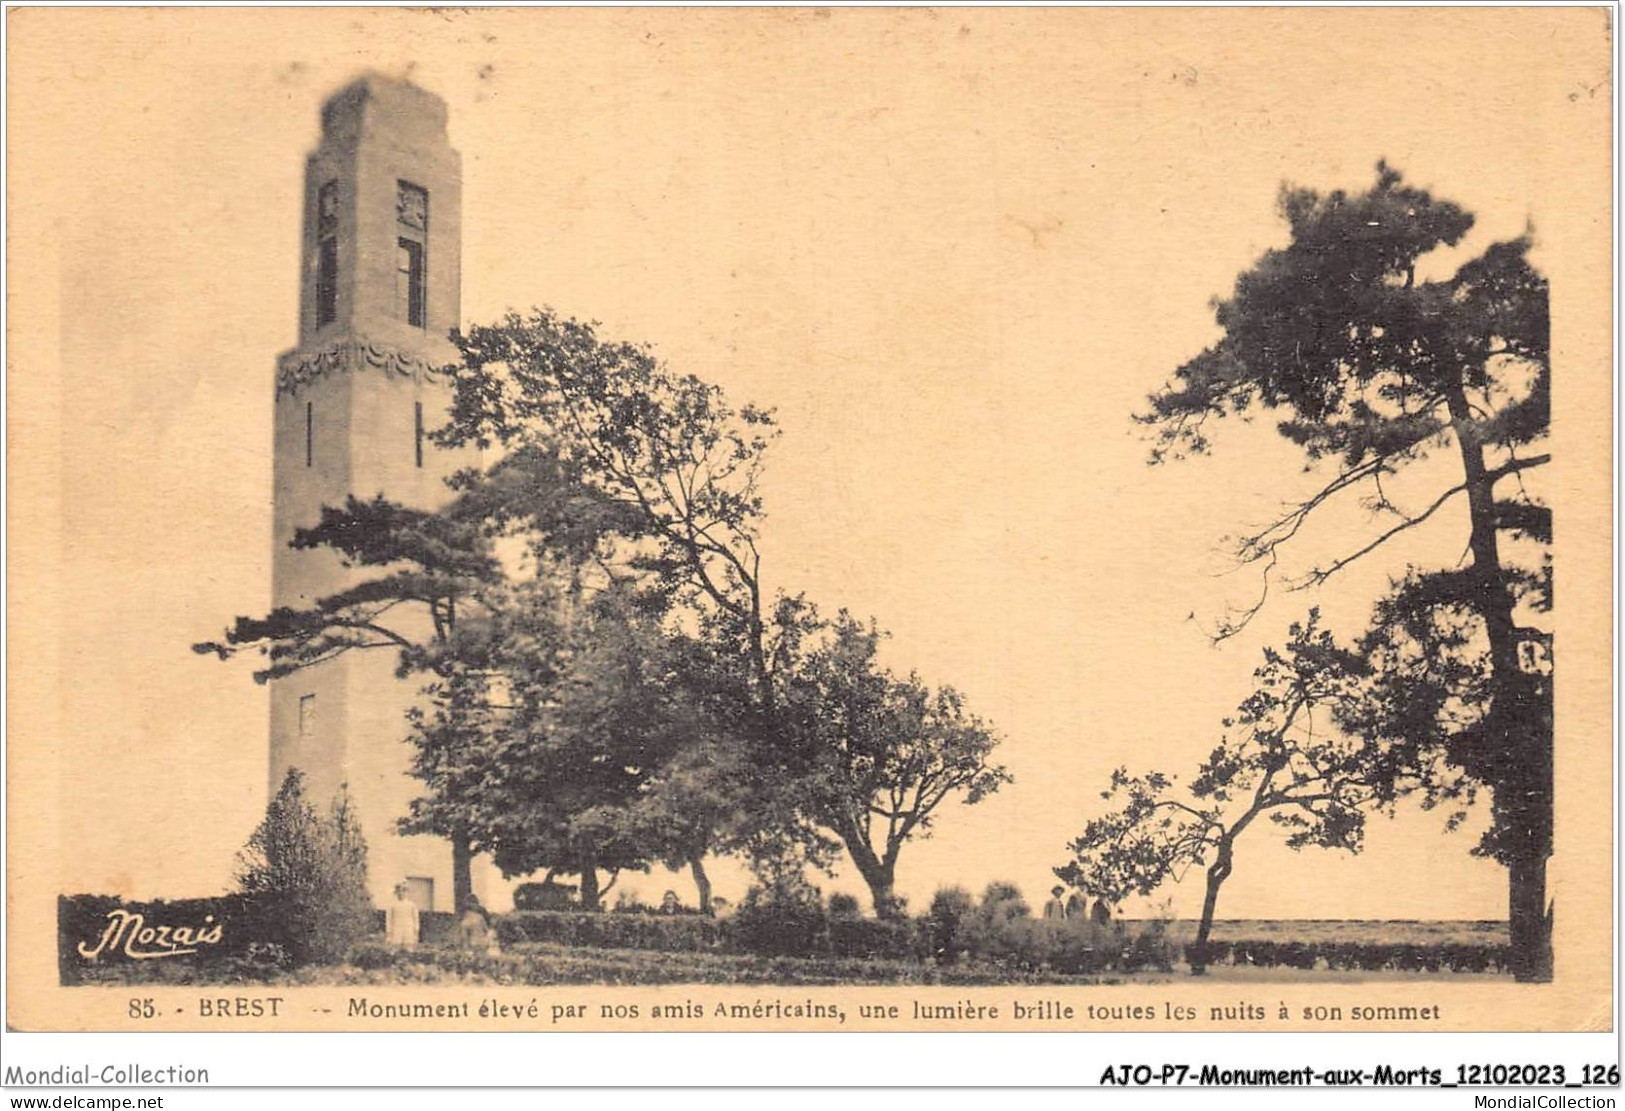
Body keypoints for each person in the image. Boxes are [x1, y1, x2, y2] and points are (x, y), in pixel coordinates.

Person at [386, 882, 420, 948]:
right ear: (396, 893)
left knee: (409, 949)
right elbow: (389, 920)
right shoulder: (392, 905)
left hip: (408, 930)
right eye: (399, 891)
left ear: (406, 892)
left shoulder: (412, 905)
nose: (401, 893)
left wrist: (416, 933)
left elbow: (416, 920)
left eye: (403, 891)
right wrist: (388, 934)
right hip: (396, 930)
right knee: (394, 950)